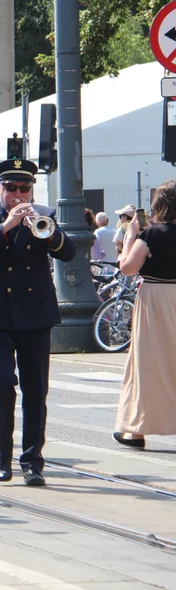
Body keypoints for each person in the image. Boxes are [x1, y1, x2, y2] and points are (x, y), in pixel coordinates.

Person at [0, 158, 75, 486]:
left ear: (31, 190)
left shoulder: (45, 216)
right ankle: (2, 453)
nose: (16, 193)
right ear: (0, 189)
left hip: (35, 313)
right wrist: (7, 226)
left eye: (23, 188)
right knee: (1, 383)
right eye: (10, 188)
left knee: (35, 389)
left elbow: (68, 251)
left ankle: (32, 460)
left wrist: (46, 234)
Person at [113, 180, 176, 448]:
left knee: (146, 364)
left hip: (155, 299)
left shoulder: (151, 236)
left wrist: (129, 239)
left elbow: (127, 268)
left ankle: (135, 429)